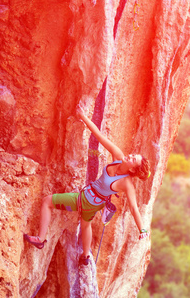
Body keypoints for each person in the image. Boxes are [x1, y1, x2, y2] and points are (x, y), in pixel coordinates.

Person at [24, 105, 151, 266]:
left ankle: (40, 239)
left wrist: (143, 230)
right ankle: (86, 256)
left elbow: (134, 208)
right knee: (86, 225)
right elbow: (99, 136)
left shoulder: (127, 184)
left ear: (133, 169)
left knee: (47, 202)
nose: (130, 156)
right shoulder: (118, 156)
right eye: (133, 155)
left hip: (84, 200)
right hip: (94, 205)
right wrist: (83, 117)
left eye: (134, 159)